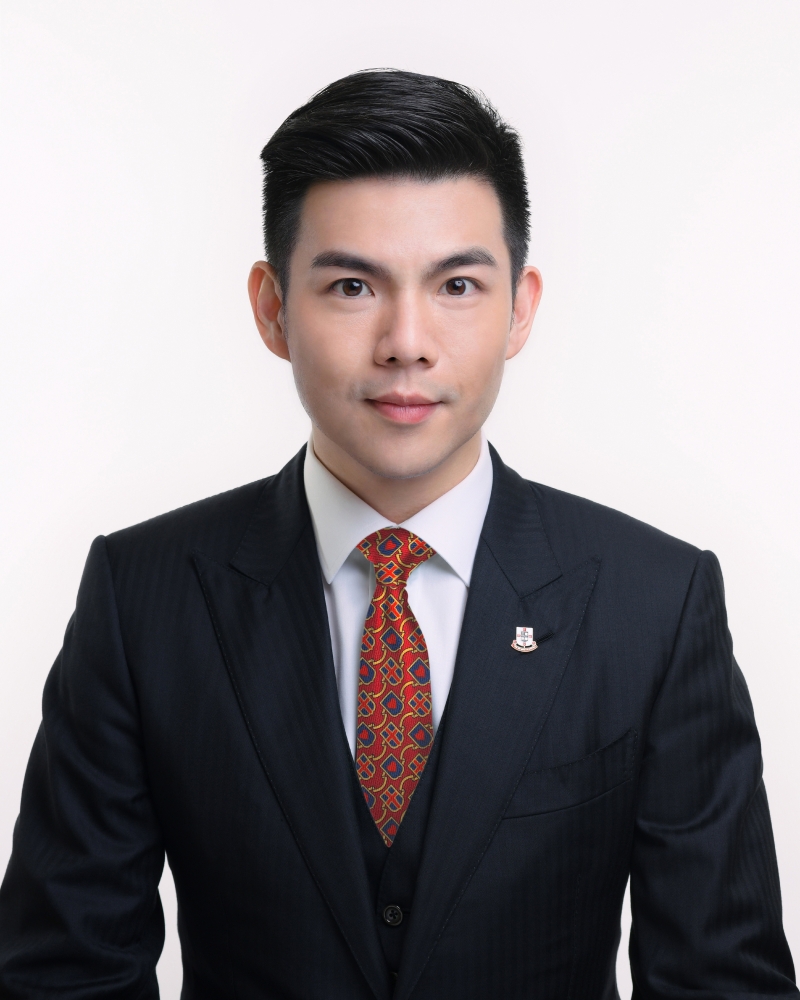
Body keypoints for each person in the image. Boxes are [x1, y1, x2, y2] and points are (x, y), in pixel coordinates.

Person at [0, 69, 795, 1000]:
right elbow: (64, 973)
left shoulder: (653, 602)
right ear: (272, 309)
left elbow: (721, 983)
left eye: (457, 284)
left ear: (520, 309)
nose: (406, 342)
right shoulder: (144, 595)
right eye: (351, 285)